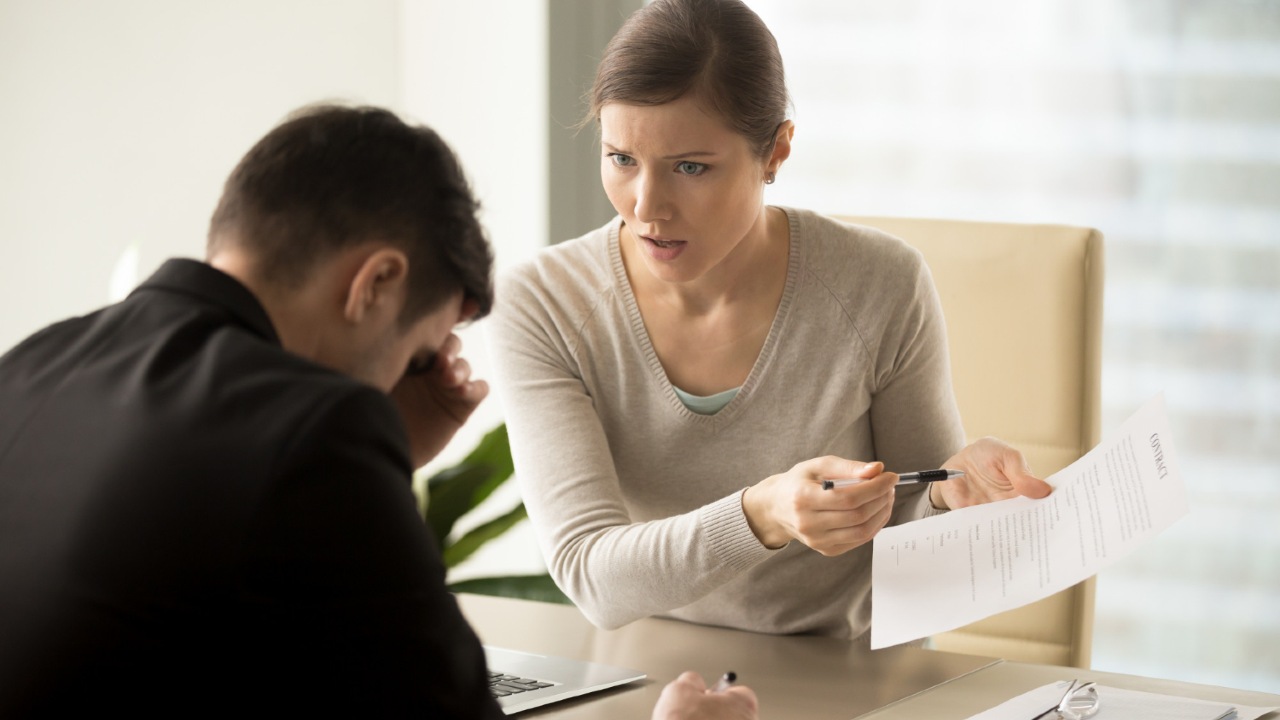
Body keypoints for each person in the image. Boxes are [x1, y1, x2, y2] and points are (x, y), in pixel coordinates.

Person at [0, 103, 757, 719]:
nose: (413, 377)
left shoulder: (33, 364)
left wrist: (387, 450)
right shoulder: (311, 431)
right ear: (375, 284)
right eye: (422, 351)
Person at [485, 0, 1052, 642]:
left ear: (776, 151)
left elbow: (915, 530)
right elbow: (590, 573)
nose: (647, 206)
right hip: (648, 676)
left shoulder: (880, 284)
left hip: (848, 676)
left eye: (690, 167)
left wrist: (951, 497)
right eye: (621, 159)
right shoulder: (543, 305)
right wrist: (764, 513)